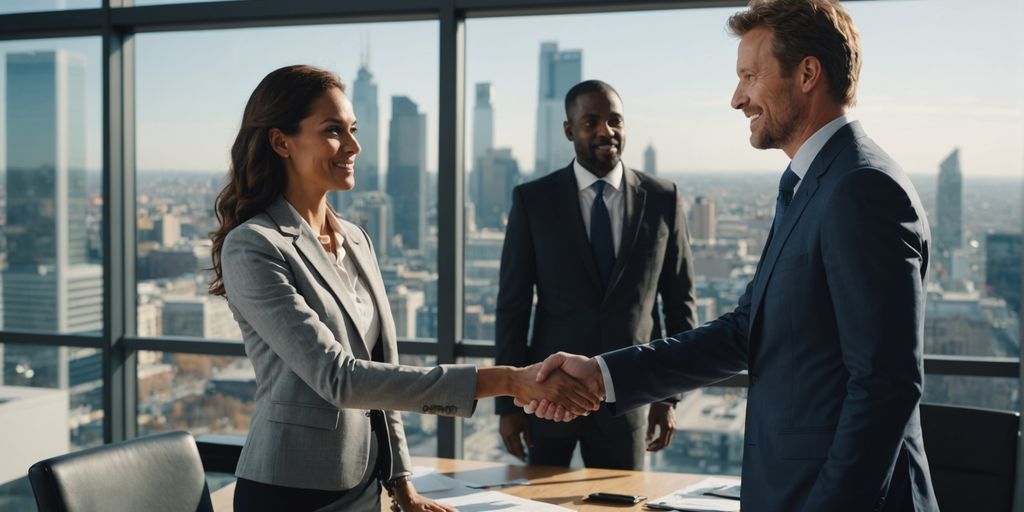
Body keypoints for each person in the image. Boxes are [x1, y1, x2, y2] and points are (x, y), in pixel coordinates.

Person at [526, 1, 940, 510]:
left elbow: (885, 387)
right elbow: (748, 331)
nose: (737, 98)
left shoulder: (860, 187)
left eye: (749, 76)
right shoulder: (813, 184)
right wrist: (604, 374)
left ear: (807, 74)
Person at [208, 64, 599, 512]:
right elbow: (341, 378)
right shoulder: (254, 245)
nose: (354, 146)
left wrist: (401, 483)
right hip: (289, 490)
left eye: (354, 129)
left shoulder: (357, 239)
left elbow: (382, 369)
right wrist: (508, 380)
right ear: (281, 142)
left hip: (363, 484)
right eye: (333, 130)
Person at [495, 79, 697, 469]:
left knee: (622, 500)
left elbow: (679, 304)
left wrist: (669, 395)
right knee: (538, 500)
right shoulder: (533, 200)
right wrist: (508, 405)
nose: (606, 131)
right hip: (548, 397)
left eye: (615, 120)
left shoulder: (663, 198)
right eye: (591, 122)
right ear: (569, 130)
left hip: (629, 399)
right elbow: (512, 308)